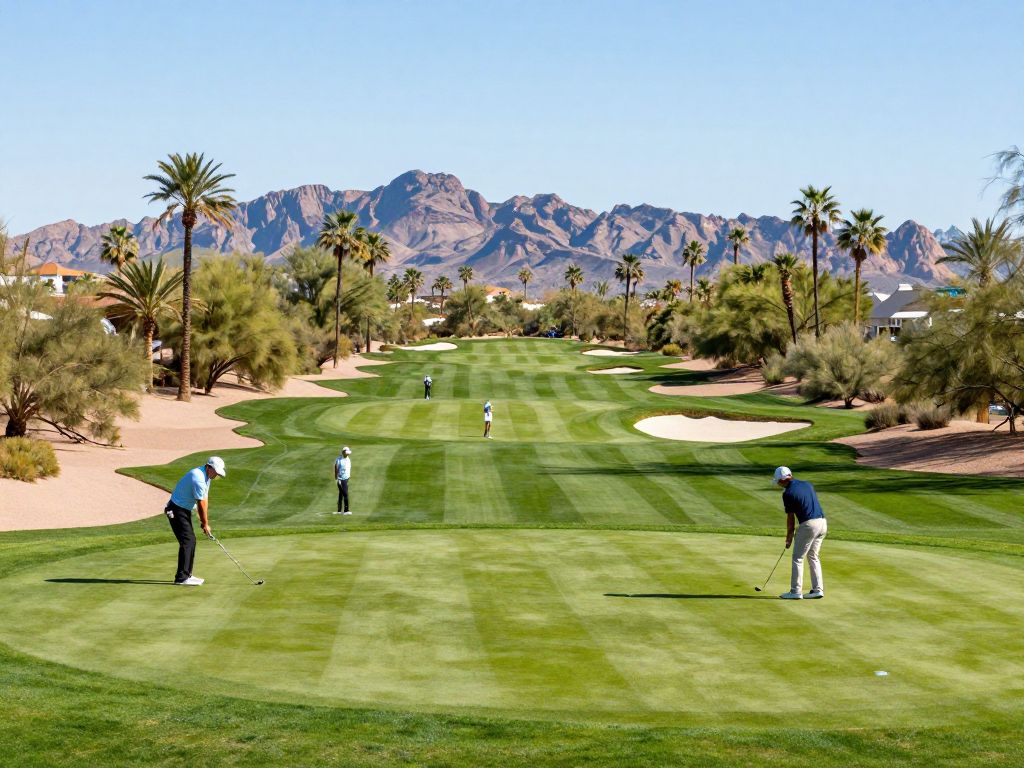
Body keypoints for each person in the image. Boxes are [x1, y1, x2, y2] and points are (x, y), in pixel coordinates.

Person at [165, 456, 226, 586]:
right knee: (188, 540)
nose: (216, 474)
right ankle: (181, 578)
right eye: (215, 471)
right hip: (175, 510)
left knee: (190, 540)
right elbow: (201, 503)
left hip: (183, 510)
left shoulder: (207, 476)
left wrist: (204, 523)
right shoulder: (198, 477)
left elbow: (205, 499)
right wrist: (205, 524)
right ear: (208, 467)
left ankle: (187, 574)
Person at [774, 466, 827, 600]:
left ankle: (796, 591)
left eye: (777, 482)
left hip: (809, 525)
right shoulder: (807, 484)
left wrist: (789, 538)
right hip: (822, 523)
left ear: (782, 480)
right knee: (813, 556)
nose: (778, 484)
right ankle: (817, 589)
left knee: (797, 557)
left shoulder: (787, 494)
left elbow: (791, 519)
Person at [334, 446, 352, 515]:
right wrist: (336, 479)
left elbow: (348, 469)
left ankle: (339, 510)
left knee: (341, 494)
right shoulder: (339, 459)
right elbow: (336, 468)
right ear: (343, 452)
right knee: (345, 494)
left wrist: (348, 478)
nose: (348, 454)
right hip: (341, 479)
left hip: (346, 478)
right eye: (346, 452)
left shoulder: (348, 459)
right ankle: (346, 510)